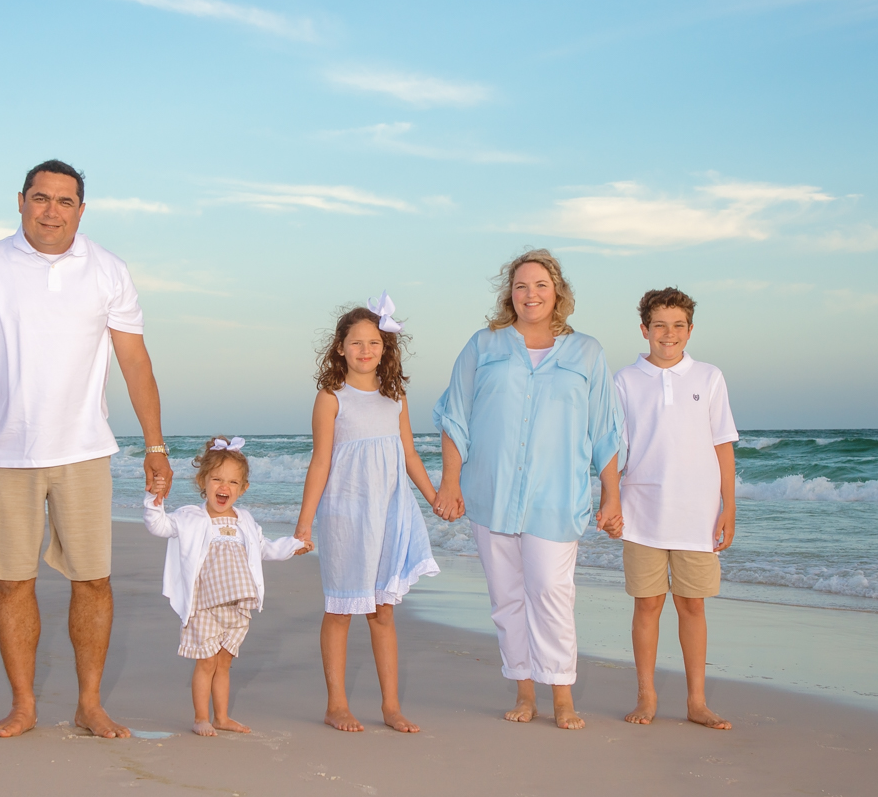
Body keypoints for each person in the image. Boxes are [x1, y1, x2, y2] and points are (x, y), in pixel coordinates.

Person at [0, 158, 172, 739]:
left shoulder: (108, 270)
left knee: (94, 580)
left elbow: (135, 361)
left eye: (64, 201)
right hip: (3, 453)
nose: (51, 211)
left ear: (81, 210)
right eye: (40, 198)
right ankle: (23, 705)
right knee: (13, 581)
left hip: (84, 450)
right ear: (20, 201)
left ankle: (89, 704)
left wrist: (155, 444)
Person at [432, 250, 623, 730]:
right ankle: (523, 690)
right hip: (490, 492)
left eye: (540, 285)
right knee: (507, 597)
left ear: (557, 292)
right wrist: (450, 481)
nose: (530, 294)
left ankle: (561, 695)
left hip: (557, 496)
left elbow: (605, 431)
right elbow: (455, 416)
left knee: (552, 592)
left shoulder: (587, 352)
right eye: (520, 286)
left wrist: (612, 495)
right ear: (509, 294)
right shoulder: (483, 346)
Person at [294, 295, 440, 733]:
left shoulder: (394, 397)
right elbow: (320, 463)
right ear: (340, 347)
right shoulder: (331, 398)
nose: (365, 350)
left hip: (390, 513)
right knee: (340, 609)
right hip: (346, 516)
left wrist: (434, 498)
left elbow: (410, 454)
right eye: (355, 343)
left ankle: (390, 706)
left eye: (373, 342)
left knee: (382, 610)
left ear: (385, 347)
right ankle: (336, 704)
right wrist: (305, 523)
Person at [609, 288, 737, 730]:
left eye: (678, 325)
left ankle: (696, 702)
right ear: (644, 329)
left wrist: (729, 507)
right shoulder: (624, 381)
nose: (669, 334)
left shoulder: (709, 376)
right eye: (659, 325)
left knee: (692, 605)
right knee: (647, 605)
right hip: (641, 511)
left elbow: (722, 443)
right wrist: (610, 501)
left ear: (690, 330)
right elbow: (613, 448)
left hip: (697, 514)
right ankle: (646, 695)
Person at [143, 436, 312, 736]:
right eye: (217, 479)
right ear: (203, 481)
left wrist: (293, 546)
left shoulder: (245, 520)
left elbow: (265, 549)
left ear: (243, 489)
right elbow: (160, 526)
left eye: (233, 482)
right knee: (206, 662)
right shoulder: (190, 517)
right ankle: (200, 718)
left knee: (223, 664)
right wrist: (155, 502)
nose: (224, 487)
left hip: (237, 604)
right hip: (204, 605)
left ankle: (221, 716)